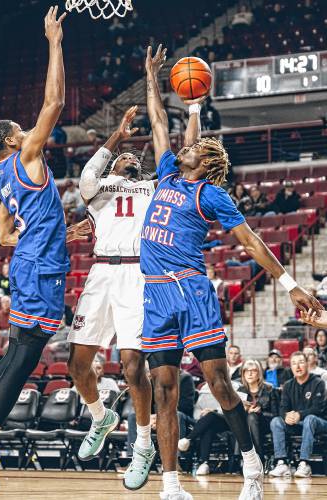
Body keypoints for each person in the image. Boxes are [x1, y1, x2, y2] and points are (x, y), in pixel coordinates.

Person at [142, 43, 321, 500]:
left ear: (206, 165)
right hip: (154, 294)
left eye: (196, 150)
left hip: (191, 292)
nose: (187, 149)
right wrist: (153, 78)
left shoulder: (210, 195)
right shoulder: (167, 174)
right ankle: (170, 485)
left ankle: (252, 464)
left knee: (220, 383)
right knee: (162, 391)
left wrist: (290, 284)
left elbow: (251, 241)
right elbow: (162, 124)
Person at [0, 9, 91, 493]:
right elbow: (55, 99)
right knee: (27, 357)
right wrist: (55, 40)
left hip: (27, 259)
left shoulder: (1, 175)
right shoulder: (27, 156)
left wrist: (58, 234)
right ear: (12, 138)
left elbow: (8, 233)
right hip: (40, 267)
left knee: (15, 352)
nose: (27, 129)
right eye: (19, 128)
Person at [67, 106, 157, 491]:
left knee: (134, 367)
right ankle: (100, 417)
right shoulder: (97, 189)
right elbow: (88, 174)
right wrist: (118, 136)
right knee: (77, 365)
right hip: (101, 273)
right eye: (124, 156)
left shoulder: (151, 187)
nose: (130, 158)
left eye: (135, 157)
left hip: (136, 274)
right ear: (112, 164)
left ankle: (143, 444)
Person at [269, 351, 327, 478]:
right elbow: (283, 408)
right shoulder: (288, 385)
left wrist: (299, 414)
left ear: (307, 364)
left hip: (319, 422)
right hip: (296, 423)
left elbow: (319, 408)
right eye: (294, 363)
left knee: (310, 419)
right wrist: (286, 416)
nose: (298, 366)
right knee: (276, 422)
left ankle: (304, 463)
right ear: (291, 367)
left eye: (301, 362)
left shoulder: (318, 382)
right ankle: (282, 463)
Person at [238, 360, 280, 461]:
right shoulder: (240, 390)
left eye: (253, 370)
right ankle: (249, 458)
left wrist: (260, 412)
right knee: (247, 419)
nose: (250, 373)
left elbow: (276, 415)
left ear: (259, 373)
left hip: (265, 423)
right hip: (248, 425)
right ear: (243, 374)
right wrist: (246, 411)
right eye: (246, 371)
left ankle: (257, 457)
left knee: (252, 417)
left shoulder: (269, 389)